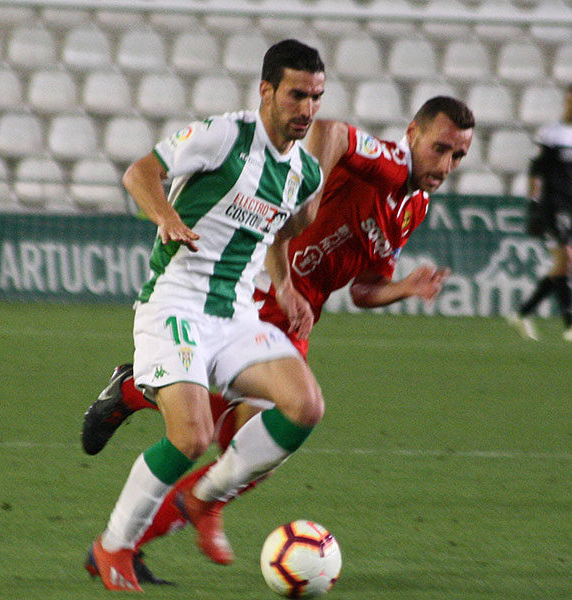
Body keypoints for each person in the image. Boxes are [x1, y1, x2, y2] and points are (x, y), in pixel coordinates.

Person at [83, 95, 476, 585]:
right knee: (214, 434)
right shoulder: (389, 163)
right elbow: (330, 131)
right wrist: (305, 202)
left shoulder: (413, 206)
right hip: (265, 291)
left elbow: (363, 289)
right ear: (413, 134)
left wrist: (405, 288)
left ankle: (171, 487)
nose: (445, 165)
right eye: (439, 148)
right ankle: (155, 506)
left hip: (297, 316)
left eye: (458, 156)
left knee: (253, 452)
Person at [86, 39, 328, 592]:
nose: (306, 109)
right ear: (266, 90)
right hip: (175, 304)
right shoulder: (224, 135)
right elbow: (139, 173)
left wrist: (284, 283)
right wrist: (167, 217)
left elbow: (283, 226)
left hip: (236, 314)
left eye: (315, 97)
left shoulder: (305, 174)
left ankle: (205, 496)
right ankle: (113, 547)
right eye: (296, 95)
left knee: (304, 405)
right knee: (191, 436)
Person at [507, 84, 572, 342]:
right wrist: (534, 204)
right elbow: (536, 172)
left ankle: (522, 313)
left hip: (570, 206)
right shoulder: (551, 134)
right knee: (565, 260)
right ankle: (569, 325)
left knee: (561, 266)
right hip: (552, 206)